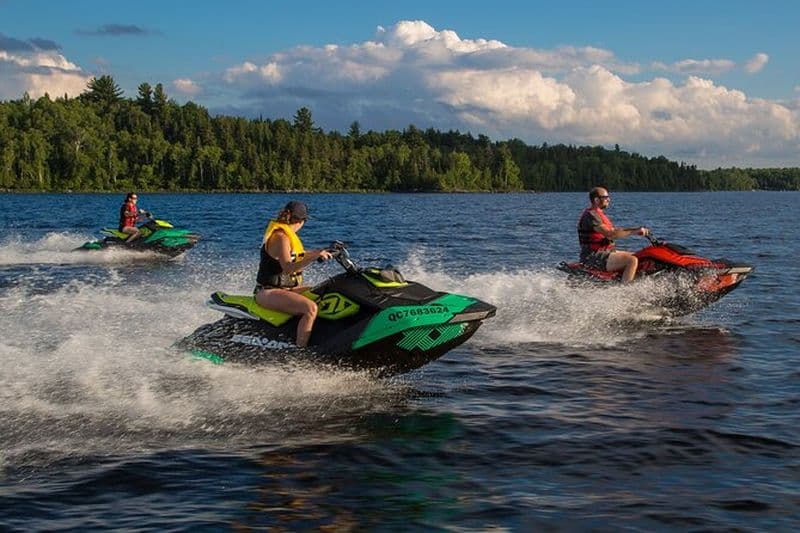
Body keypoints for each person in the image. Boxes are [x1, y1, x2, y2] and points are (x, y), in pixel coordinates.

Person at [254, 201, 332, 347]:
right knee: (310, 308)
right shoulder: (281, 238)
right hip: (268, 291)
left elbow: (298, 254)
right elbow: (289, 268)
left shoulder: (286, 236)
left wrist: (319, 252)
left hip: (287, 289)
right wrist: (314, 257)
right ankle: (300, 352)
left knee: (324, 291)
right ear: (302, 221)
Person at [578, 186, 650, 282]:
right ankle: (626, 291)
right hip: (593, 256)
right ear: (596, 200)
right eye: (605, 197)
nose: (609, 199)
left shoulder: (599, 215)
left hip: (606, 252)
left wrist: (636, 230)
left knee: (640, 256)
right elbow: (610, 234)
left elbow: (615, 231)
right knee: (631, 260)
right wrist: (635, 232)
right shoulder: (591, 215)